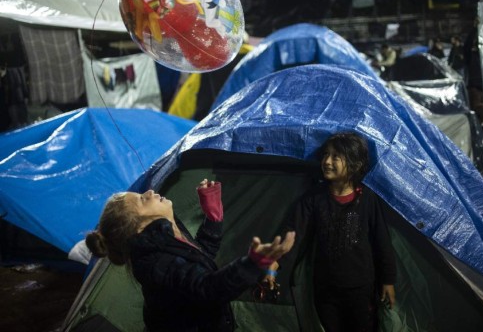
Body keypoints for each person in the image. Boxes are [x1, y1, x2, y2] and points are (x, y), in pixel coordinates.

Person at [85, 179, 295, 332]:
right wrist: (252, 264)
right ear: (138, 227)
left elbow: (199, 257)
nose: (149, 192)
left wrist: (213, 217)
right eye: (141, 199)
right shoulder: (155, 262)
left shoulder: (162, 237)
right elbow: (207, 288)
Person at [267, 132, 396, 332]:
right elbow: (293, 233)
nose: (327, 161)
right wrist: (273, 263)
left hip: (360, 288)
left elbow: (382, 241)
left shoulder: (368, 199)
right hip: (326, 289)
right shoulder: (314, 198)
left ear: (354, 164)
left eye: (336, 157)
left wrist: (387, 280)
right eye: (325, 155)